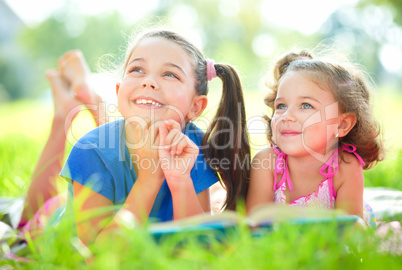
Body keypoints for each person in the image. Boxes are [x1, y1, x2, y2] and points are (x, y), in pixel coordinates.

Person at [58, 29, 250, 246]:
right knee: (31, 213)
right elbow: (99, 257)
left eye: (170, 74)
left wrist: (181, 182)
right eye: (137, 69)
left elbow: (198, 247)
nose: (148, 82)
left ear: (196, 106)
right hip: (65, 238)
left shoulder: (195, 146)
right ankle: (68, 108)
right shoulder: (90, 150)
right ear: (120, 91)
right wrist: (149, 179)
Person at [246, 49, 383, 226]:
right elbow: (252, 228)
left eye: (305, 105)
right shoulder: (267, 163)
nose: (287, 116)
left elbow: (347, 237)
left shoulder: (346, 167)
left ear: (341, 125)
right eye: (281, 105)